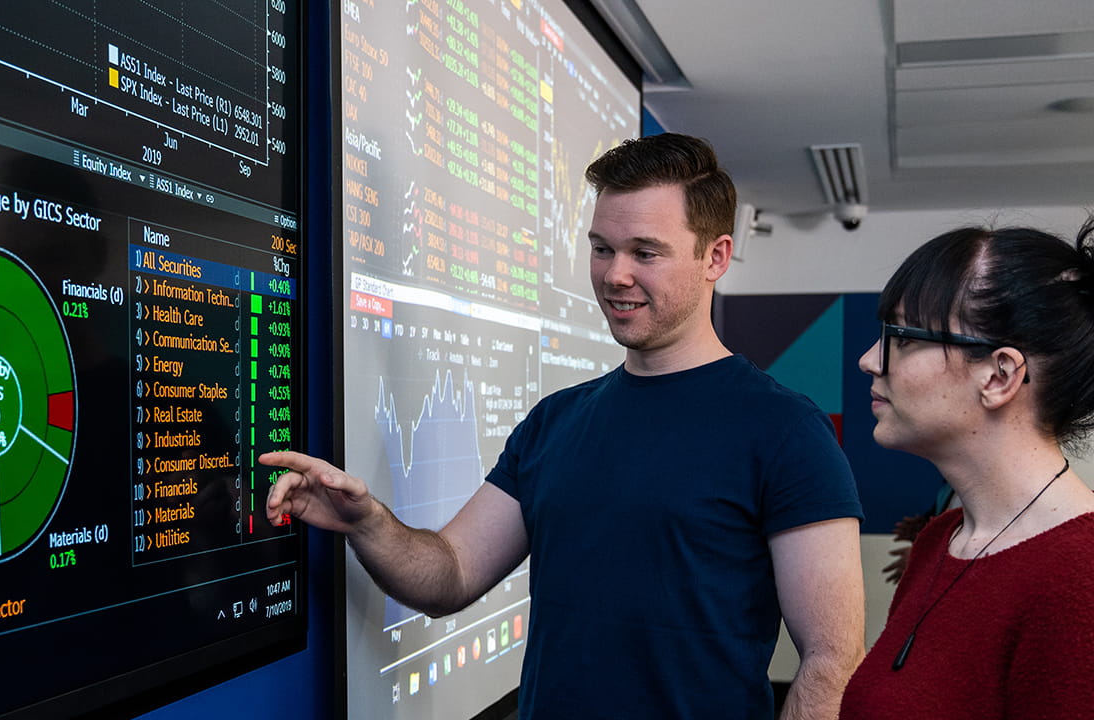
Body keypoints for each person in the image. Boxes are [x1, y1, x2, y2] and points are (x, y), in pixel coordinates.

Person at [264, 133, 865, 719]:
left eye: (644, 252)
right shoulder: (556, 422)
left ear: (715, 257)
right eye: (601, 248)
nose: (614, 275)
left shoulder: (786, 431)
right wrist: (366, 523)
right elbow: (448, 573)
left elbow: (832, 661)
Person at [841, 222, 1094, 718]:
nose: (869, 360)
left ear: (999, 375)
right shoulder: (941, 541)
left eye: (901, 336)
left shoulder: (1079, 578)